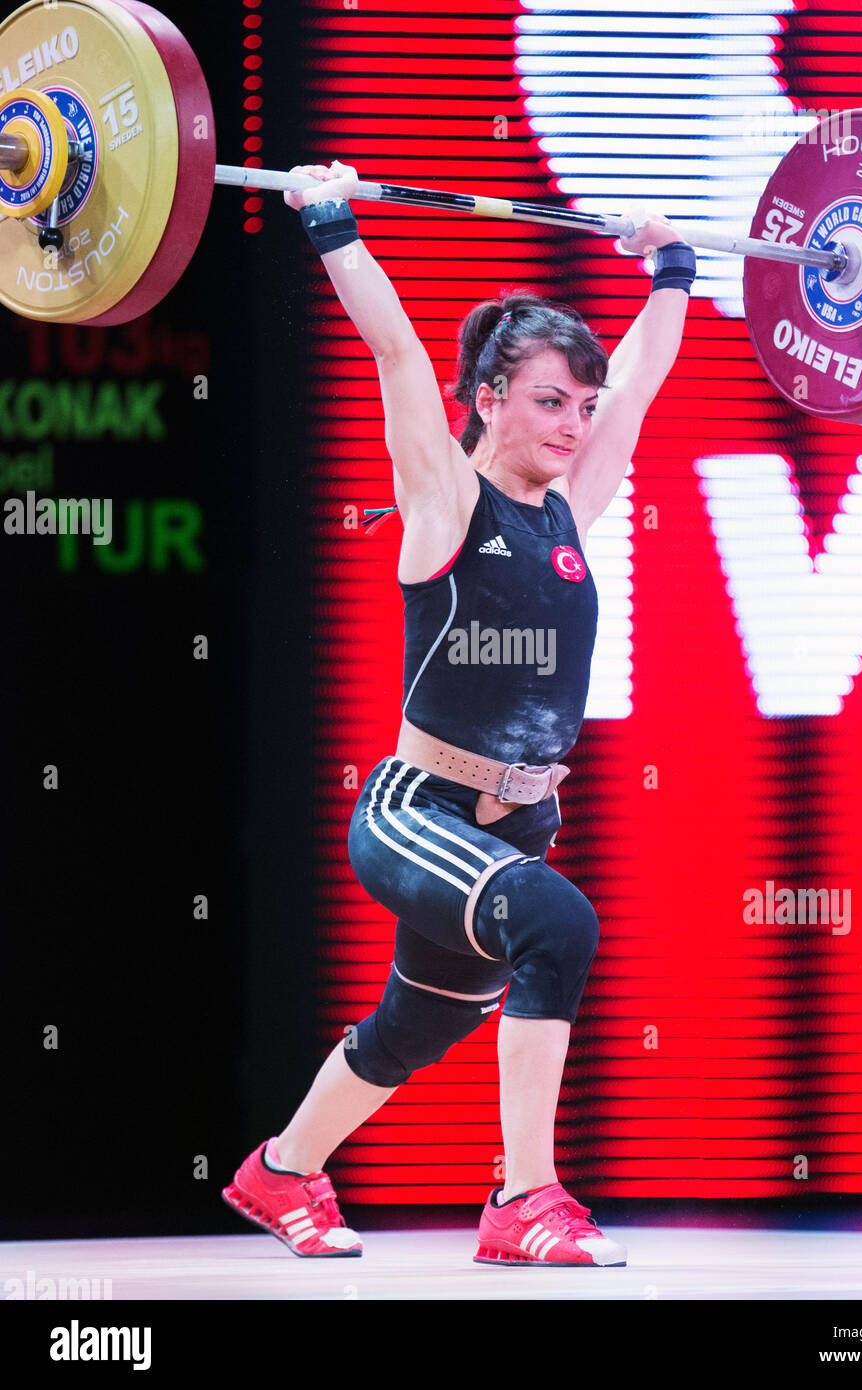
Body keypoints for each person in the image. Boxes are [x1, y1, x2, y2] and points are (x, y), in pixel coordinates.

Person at [222, 161, 694, 1265]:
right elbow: (391, 350)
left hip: (515, 823)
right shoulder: (445, 496)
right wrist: (329, 218)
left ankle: (279, 1172)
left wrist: (669, 267)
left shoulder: (572, 507)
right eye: (546, 401)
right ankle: (521, 1201)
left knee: (418, 1022)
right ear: (485, 401)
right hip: (414, 809)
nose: (574, 424)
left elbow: (638, 379)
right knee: (558, 924)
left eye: (581, 407)